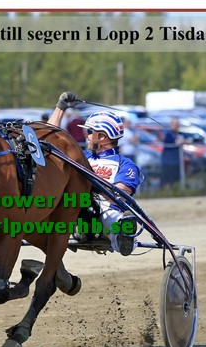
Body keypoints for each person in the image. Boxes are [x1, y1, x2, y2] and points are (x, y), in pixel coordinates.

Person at [49, 92, 142, 256]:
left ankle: (124, 235)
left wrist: (90, 189)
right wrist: (60, 107)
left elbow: (120, 194)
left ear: (103, 136)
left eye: (90, 131)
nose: (86, 135)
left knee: (109, 215)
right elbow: (50, 138)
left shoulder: (125, 164)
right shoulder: (80, 157)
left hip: (103, 212)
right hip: (75, 209)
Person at [161, 117, 186, 188]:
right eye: (174, 124)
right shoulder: (168, 134)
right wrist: (179, 141)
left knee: (176, 179)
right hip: (168, 162)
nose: (175, 126)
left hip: (177, 161)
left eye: (177, 124)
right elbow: (174, 142)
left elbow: (186, 139)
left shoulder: (180, 134)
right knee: (166, 179)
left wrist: (183, 141)